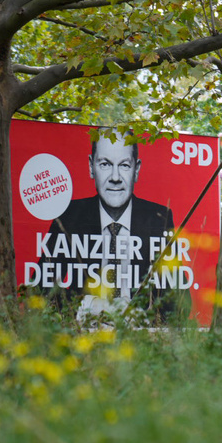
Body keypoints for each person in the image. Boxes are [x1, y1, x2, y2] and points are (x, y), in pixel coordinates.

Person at [43, 132, 175, 316]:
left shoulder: (159, 218)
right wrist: (84, 307)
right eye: (105, 164)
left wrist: (143, 314)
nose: (115, 177)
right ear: (91, 167)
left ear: (136, 170)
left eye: (124, 165)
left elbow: (178, 299)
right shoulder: (69, 215)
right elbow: (41, 291)